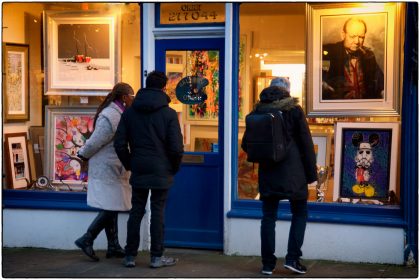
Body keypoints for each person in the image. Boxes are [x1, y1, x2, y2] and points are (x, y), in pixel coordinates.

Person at [241, 77, 317, 275]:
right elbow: (306, 145)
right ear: (287, 91)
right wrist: (311, 175)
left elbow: (245, 144)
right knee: (299, 213)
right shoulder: (293, 110)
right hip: (294, 173)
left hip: (268, 172)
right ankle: (292, 258)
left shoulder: (258, 111)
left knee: (268, 217)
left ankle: (267, 264)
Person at [114, 71, 184, 268]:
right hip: (162, 168)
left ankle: (130, 256)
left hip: (139, 166)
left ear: (145, 85)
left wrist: (130, 164)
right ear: (163, 88)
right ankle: (156, 256)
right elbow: (176, 148)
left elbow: (120, 144)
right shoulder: (168, 114)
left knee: (136, 211)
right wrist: (173, 167)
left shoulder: (129, 112)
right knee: (158, 211)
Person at [74, 82, 135, 261]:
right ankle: (87, 238)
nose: (133, 100)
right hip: (107, 167)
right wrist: (82, 155)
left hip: (114, 166)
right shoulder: (110, 116)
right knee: (111, 205)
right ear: (124, 98)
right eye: (132, 97)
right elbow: (95, 142)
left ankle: (113, 246)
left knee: (112, 204)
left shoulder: (119, 114)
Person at [322, 17, 384, 100]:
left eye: (361, 37)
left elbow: (381, 83)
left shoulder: (369, 55)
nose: (357, 41)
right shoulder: (329, 53)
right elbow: (322, 77)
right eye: (352, 36)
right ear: (343, 35)